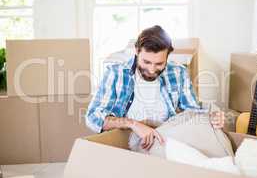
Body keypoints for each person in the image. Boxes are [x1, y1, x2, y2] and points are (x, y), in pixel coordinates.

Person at [85, 25, 224, 150]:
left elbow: (192, 111)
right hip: (128, 141)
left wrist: (209, 117)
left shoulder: (178, 72)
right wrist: (134, 124)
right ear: (136, 51)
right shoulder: (116, 73)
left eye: (159, 64)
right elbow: (93, 117)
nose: (151, 70)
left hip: (166, 139)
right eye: (146, 62)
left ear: (168, 56)